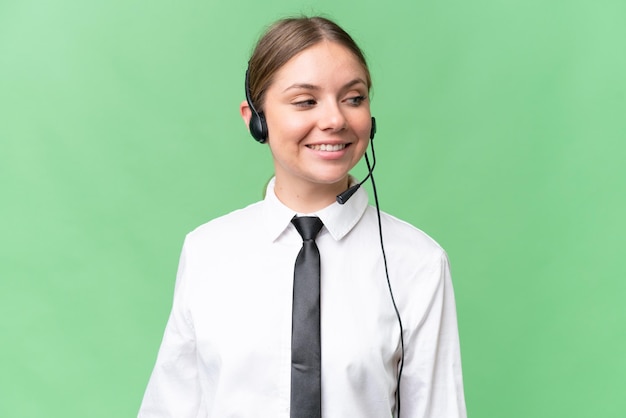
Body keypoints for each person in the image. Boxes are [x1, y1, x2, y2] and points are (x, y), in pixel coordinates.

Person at [138, 16, 466, 418]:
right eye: (306, 101)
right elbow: (169, 408)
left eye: (354, 98)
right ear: (255, 120)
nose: (334, 120)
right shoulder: (207, 250)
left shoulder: (418, 262)